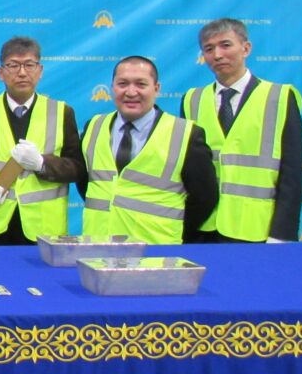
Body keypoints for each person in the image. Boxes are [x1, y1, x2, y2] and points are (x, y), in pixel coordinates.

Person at [182, 18, 302, 243]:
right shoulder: (192, 100)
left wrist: (281, 235)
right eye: (209, 49)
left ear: (246, 48)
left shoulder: (279, 98)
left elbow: (292, 174)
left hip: (256, 230)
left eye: (225, 45)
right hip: (203, 228)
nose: (217, 55)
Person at [78, 56, 217, 244]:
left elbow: (204, 198)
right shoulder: (94, 127)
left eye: (141, 84)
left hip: (157, 250)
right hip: (98, 246)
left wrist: (174, 230)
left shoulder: (185, 134)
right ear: (112, 87)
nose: (131, 92)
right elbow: (86, 183)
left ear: (156, 89)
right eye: (122, 84)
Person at [0, 36, 85, 245]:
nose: (22, 72)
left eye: (29, 65)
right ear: (1, 72)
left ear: (40, 70)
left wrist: (42, 164)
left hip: (44, 230)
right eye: (13, 65)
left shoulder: (61, 112)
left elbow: (78, 168)